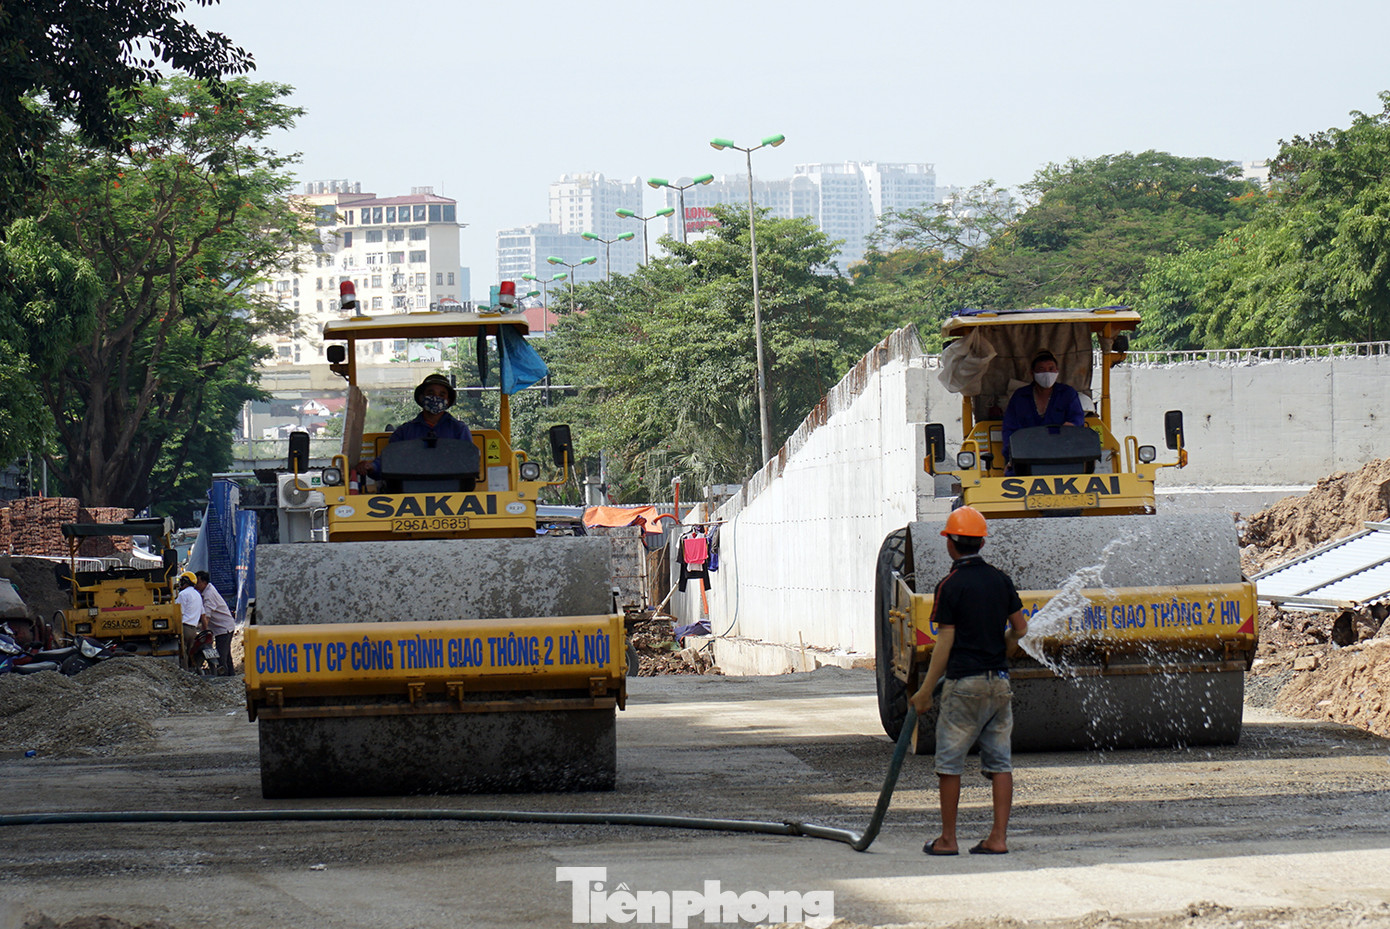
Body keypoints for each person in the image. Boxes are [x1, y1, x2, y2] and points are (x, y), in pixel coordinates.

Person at [910, 506, 1029, 857]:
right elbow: (1021, 629)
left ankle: (948, 840)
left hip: (964, 684)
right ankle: (998, 838)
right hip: (999, 683)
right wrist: (1003, 651)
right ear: (980, 542)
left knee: (949, 763)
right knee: (1000, 763)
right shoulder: (1000, 579)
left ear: (951, 543)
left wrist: (926, 690)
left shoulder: (950, 585)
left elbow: (944, 642)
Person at [356, 373, 472, 482]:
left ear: (448, 401)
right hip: (409, 492)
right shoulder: (404, 432)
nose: (436, 397)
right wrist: (371, 466)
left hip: (453, 491)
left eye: (442, 394)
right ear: (422, 397)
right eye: (431, 393)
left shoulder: (459, 430)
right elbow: (388, 461)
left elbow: (468, 462)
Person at [1000, 349, 1085, 465]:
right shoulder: (1020, 397)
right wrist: (1010, 459)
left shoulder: (1068, 394)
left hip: (1062, 457)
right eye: (1041, 370)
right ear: (1032, 373)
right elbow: (1009, 430)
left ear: (1057, 371)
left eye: (1051, 369)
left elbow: (1077, 420)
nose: (1047, 373)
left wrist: (1070, 427)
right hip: (1026, 458)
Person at [194, 570, 236, 676]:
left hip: (223, 628)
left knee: (221, 657)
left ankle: (224, 678)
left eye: (198, 582)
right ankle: (231, 676)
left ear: (204, 582)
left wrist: (204, 633)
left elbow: (206, 616)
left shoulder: (209, 595)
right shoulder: (207, 591)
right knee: (226, 656)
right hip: (222, 628)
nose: (196, 585)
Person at [174, 570, 206, 671]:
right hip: (193, 630)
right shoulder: (197, 595)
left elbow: (178, 613)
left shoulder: (183, 594)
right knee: (188, 653)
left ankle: (185, 674)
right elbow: (203, 615)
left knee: (182, 655)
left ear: (185, 582)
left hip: (184, 628)